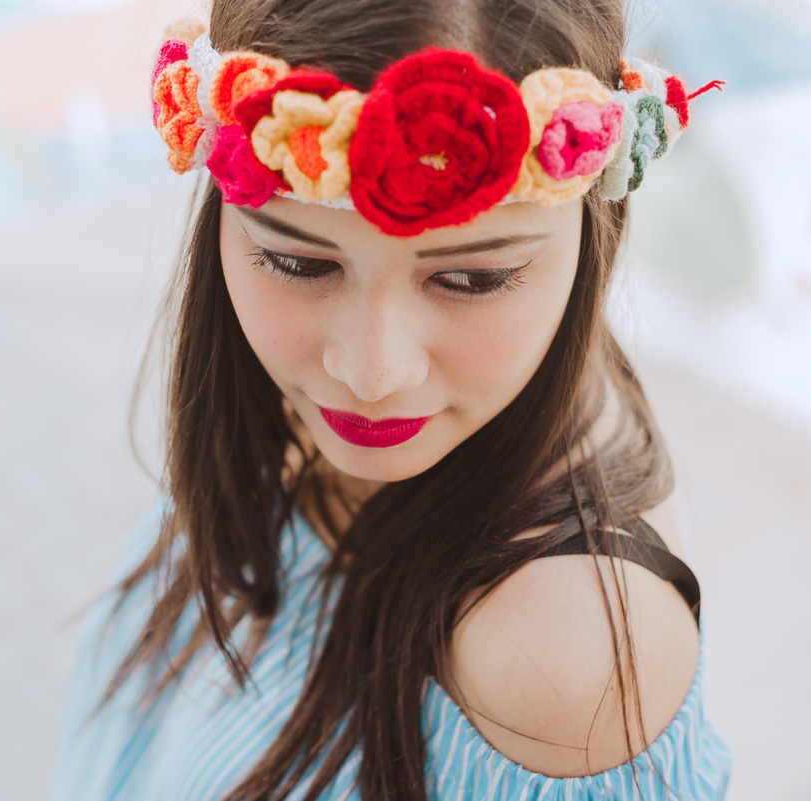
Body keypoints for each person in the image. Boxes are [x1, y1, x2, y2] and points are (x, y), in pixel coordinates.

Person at [51, 0, 732, 798]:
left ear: (596, 221)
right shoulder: (292, 410)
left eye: (472, 279)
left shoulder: (564, 661)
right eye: (299, 264)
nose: (371, 376)